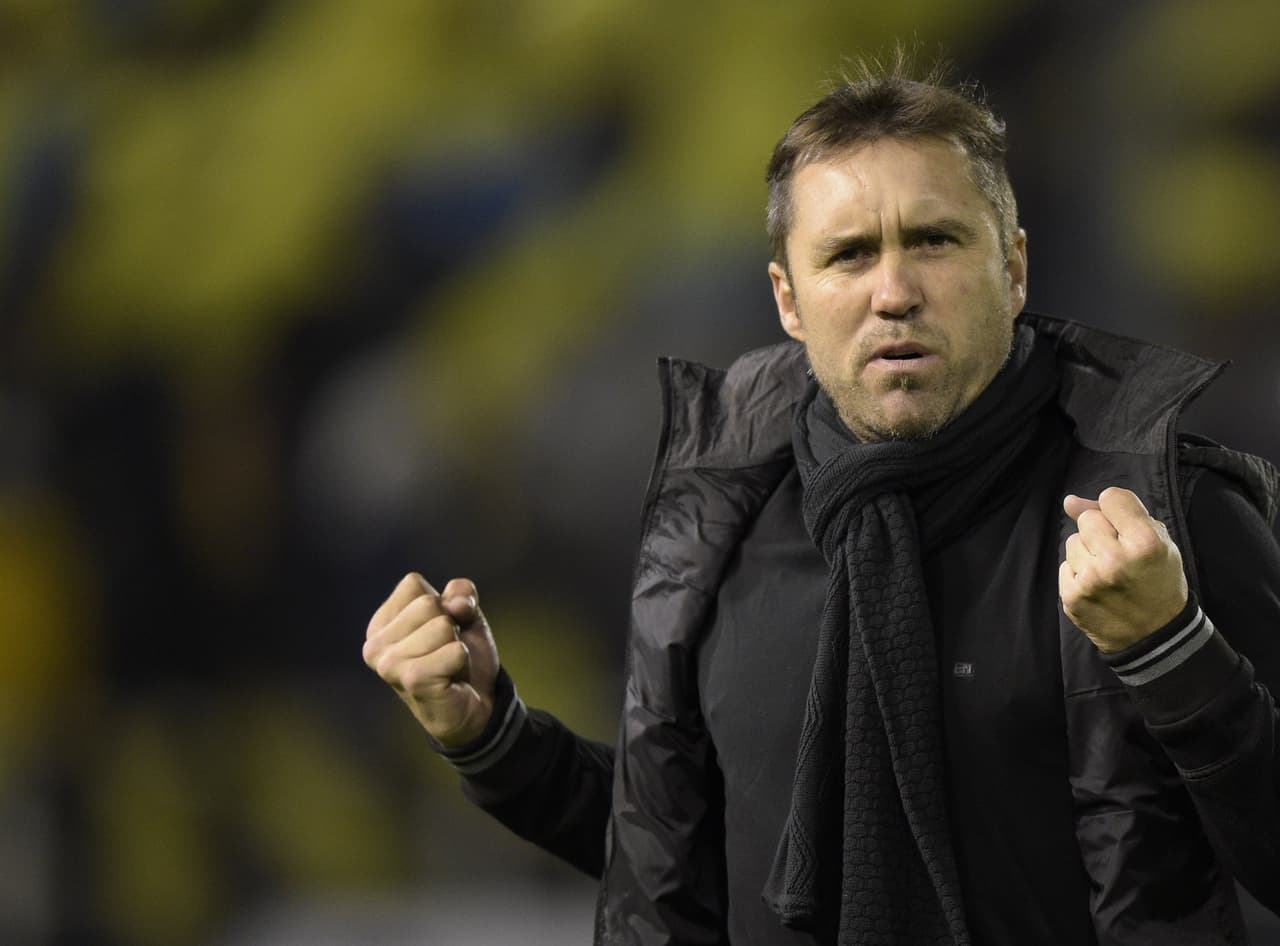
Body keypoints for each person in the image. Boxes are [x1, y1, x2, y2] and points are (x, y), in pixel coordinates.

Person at [362, 56, 1280, 946]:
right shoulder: (717, 527)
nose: (894, 293)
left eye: (935, 240)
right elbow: (692, 854)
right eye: (849, 254)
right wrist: (495, 741)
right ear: (789, 300)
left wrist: (1176, 656)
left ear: (1015, 267)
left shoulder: (1163, 514)